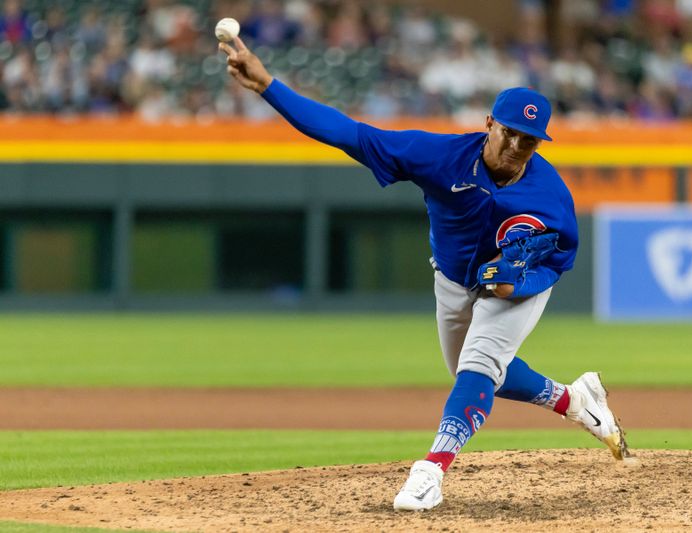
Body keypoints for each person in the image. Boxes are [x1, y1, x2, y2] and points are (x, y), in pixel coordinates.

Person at [219, 36, 630, 512]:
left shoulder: (552, 196)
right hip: (454, 279)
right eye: (509, 132)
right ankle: (576, 401)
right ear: (489, 125)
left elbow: (559, 261)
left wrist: (516, 283)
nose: (517, 145)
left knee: (479, 367)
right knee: (475, 375)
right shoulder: (438, 157)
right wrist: (269, 87)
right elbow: (347, 133)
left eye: (530, 139)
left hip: (515, 289)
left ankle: (431, 470)